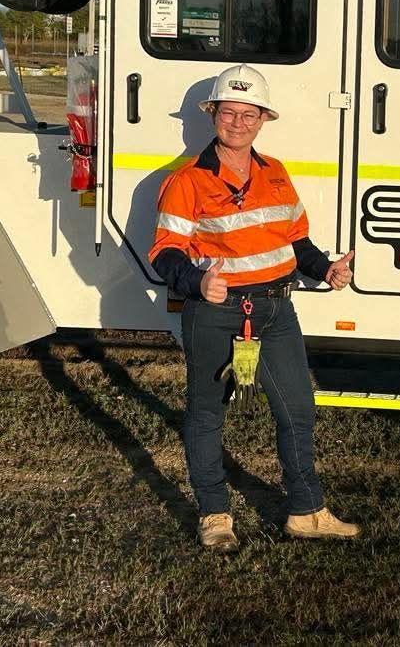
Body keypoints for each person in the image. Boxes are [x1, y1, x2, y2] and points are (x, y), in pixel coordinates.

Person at [148, 64, 359, 552]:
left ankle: (306, 512)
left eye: (249, 114)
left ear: (263, 119)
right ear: (212, 114)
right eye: (229, 112)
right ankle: (214, 514)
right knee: (207, 414)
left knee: (297, 411)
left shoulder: (275, 172)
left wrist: (324, 268)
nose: (238, 123)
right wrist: (198, 281)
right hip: (215, 313)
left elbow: (295, 241)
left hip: (276, 311)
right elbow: (164, 252)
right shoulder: (186, 181)